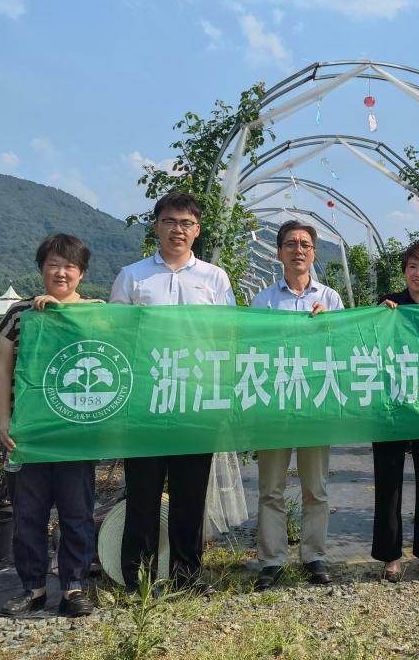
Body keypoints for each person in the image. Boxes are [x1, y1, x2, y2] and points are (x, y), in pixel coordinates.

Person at [110, 192, 235, 594]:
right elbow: (116, 335)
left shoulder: (215, 279)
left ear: (197, 230)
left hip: (196, 400)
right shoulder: (132, 276)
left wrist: (223, 393)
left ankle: (187, 576)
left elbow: (228, 336)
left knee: (190, 495)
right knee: (143, 493)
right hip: (146, 400)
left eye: (185, 223)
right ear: (156, 226)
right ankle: (137, 579)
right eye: (169, 221)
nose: (177, 230)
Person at [0, 234, 103, 617]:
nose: (61, 272)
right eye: (52, 265)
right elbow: (2, 369)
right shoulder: (20, 314)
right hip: (28, 434)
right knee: (29, 514)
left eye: (69, 266)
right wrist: (3, 420)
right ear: (41, 269)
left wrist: (66, 314)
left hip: (77, 432)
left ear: (82, 273)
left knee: (77, 512)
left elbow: (117, 348)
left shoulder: (96, 312)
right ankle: (33, 588)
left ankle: (74, 588)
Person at [249, 220, 343, 590]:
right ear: (279, 252)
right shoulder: (264, 301)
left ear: (314, 252)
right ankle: (271, 560)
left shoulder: (330, 299)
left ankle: (314, 556)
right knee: (271, 487)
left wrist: (328, 326)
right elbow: (254, 347)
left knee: (315, 487)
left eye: (305, 244)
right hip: (275, 402)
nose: (298, 250)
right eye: (290, 243)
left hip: (314, 402)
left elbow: (343, 346)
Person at [373, 242, 419, 582]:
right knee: (388, 479)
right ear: (404, 271)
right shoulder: (389, 305)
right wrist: (378, 317)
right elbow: (368, 342)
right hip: (392, 403)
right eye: (413, 266)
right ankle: (390, 556)